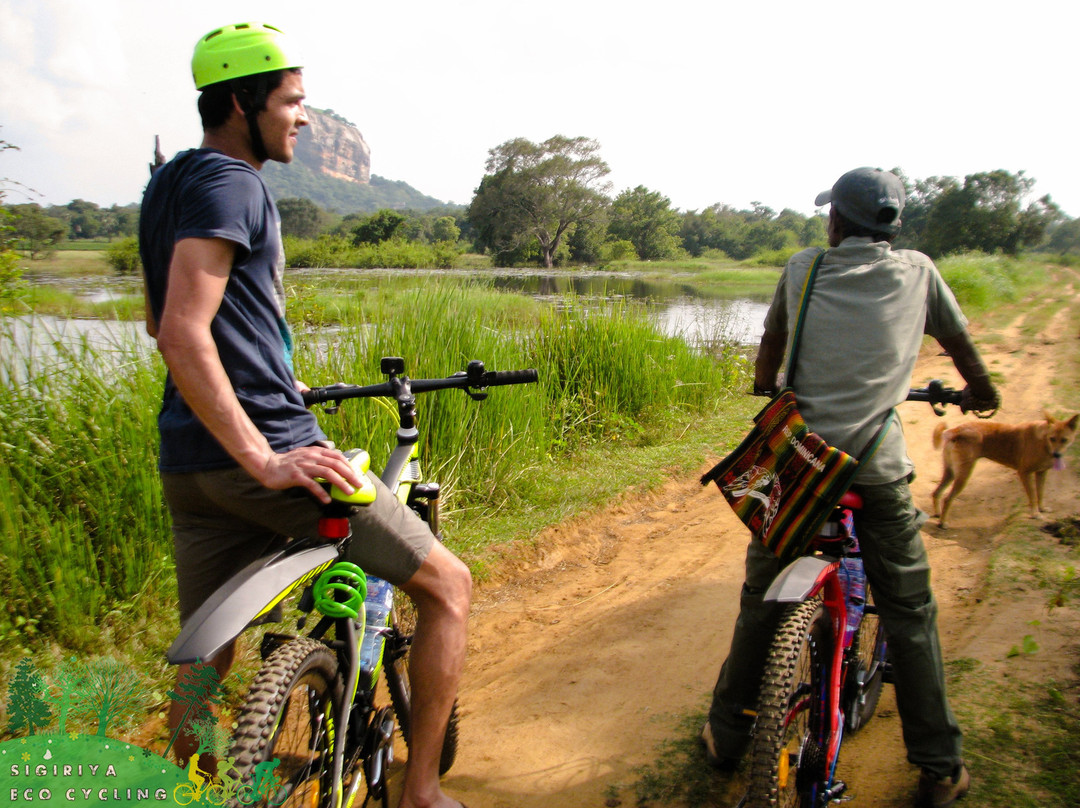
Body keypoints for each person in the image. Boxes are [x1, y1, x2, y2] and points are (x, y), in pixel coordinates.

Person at [139, 23, 470, 808]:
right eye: (291, 101)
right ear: (237, 102)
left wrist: (263, 390)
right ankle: (422, 788)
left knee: (206, 652)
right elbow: (185, 329)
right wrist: (264, 453)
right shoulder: (233, 183)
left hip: (190, 462)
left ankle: (197, 791)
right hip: (267, 458)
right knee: (449, 586)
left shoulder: (169, 184)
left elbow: (161, 325)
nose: (305, 119)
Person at [702, 167, 1000, 808]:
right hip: (876, 465)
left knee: (760, 596)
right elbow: (960, 344)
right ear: (891, 226)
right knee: (910, 612)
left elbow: (773, 341)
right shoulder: (919, 271)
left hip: (805, 462)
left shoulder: (804, 267)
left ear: (837, 220)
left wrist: (765, 381)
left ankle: (728, 734)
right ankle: (941, 766)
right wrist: (984, 393)